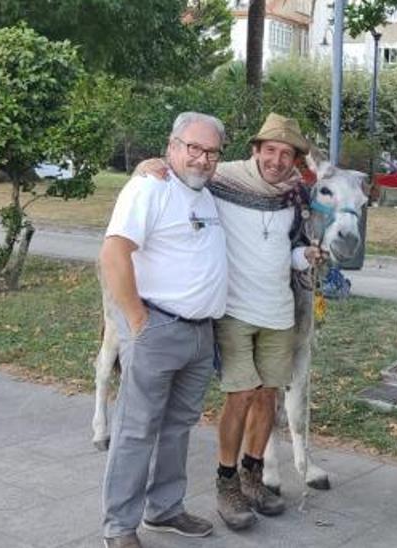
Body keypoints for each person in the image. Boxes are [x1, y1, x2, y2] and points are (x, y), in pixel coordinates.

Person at [136, 113, 320, 531]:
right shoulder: (225, 180)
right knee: (241, 395)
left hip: (278, 311)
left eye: (286, 153)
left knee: (269, 395)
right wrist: (148, 164)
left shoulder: (294, 194)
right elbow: (184, 169)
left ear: (294, 160)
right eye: (269, 150)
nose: (276, 160)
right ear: (255, 150)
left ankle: (254, 476)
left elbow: (288, 249)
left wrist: (304, 257)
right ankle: (226, 482)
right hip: (235, 310)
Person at [98, 112, 227, 548]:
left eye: (211, 152)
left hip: (199, 334)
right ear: (172, 147)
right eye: (193, 148)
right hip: (156, 327)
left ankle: (165, 509)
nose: (202, 159)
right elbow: (114, 254)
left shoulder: (208, 194)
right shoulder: (149, 187)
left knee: (177, 428)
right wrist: (137, 321)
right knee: (137, 429)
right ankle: (119, 526)